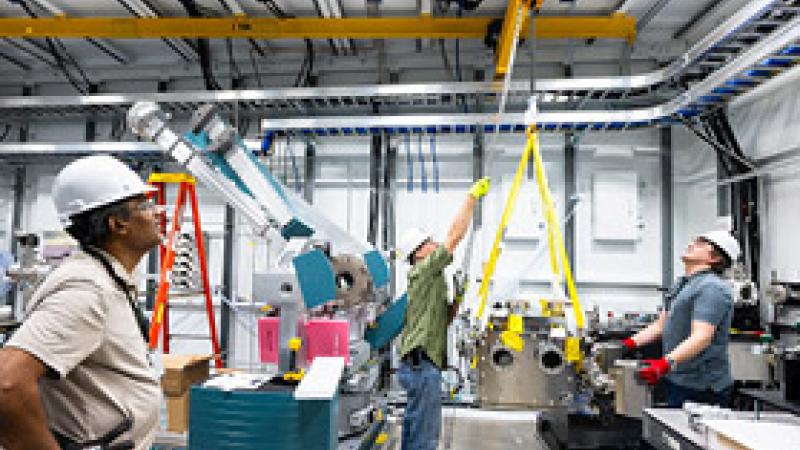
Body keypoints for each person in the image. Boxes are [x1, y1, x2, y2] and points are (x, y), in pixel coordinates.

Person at [0, 155, 164, 450]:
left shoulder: (108, 277)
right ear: (118, 224)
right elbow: (7, 384)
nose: (157, 212)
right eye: (145, 205)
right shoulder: (87, 289)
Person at [396, 176, 491, 450]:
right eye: (429, 242)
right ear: (419, 253)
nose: (436, 243)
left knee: (415, 431)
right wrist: (471, 198)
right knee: (425, 438)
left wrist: (457, 299)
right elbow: (454, 236)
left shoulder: (432, 279)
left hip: (421, 364)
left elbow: (443, 321)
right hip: (421, 365)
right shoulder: (423, 271)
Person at [622, 230, 739, 408]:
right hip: (679, 379)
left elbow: (702, 337)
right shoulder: (683, 284)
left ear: (715, 258)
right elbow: (661, 326)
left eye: (700, 244)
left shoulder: (712, 288)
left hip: (703, 386)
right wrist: (628, 344)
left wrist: (665, 363)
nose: (691, 245)